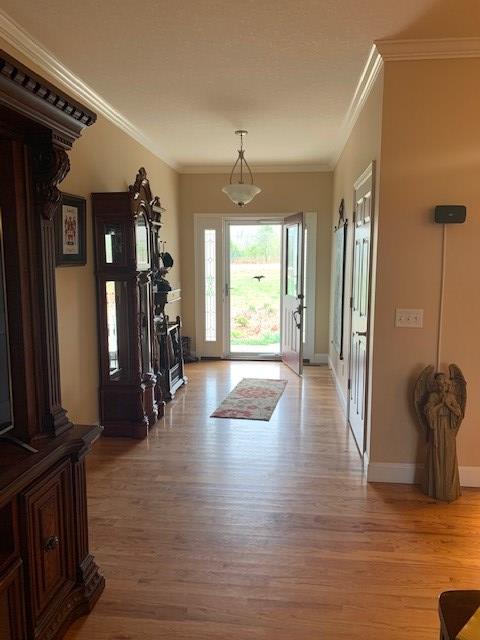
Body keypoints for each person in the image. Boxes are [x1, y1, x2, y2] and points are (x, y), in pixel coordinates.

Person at [423, 373, 463, 502]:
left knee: (449, 455)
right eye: (439, 385)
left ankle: (449, 489)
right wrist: (441, 404)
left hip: (449, 430)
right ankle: (436, 487)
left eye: (444, 384)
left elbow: (459, 413)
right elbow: (428, 411)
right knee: (436, 454)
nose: (441, 387)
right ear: (436, 385)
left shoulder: (451, 397)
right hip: (437, 429)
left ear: (447, 385)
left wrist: (449, 405)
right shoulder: (433, 396)